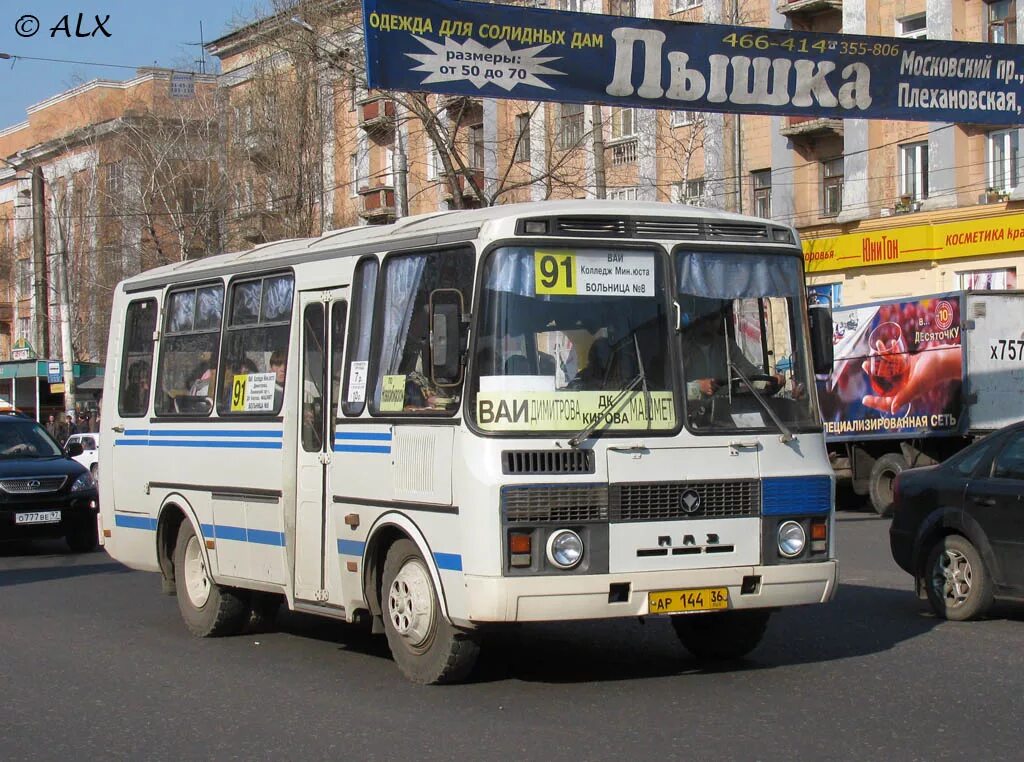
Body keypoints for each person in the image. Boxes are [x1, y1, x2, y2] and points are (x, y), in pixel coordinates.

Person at [680, 297, 782, 402]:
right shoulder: (680, 349)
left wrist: (769, 381)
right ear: (696, 319)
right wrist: (698, 388)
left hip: (723, 410)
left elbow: (749, 375)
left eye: (714, 318)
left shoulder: (727, 346)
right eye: (705, 318)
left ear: (720, 318)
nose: (709, 324)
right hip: (689, 414)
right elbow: (670, 390)